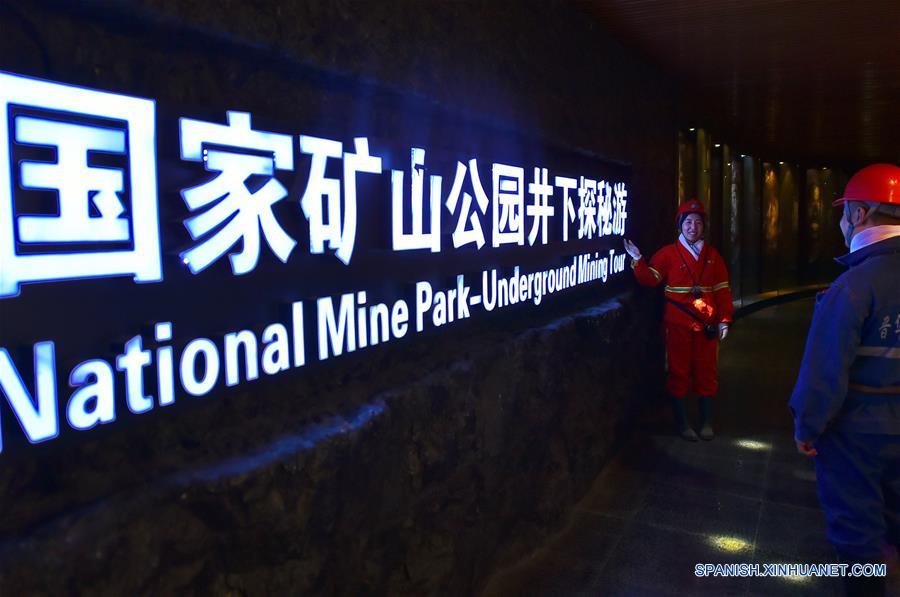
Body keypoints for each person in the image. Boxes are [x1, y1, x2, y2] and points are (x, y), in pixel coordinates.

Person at [790, 163, 900, 597]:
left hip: (856, 433)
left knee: (859, 542)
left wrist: (808, 426)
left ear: (860, 214)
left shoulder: (854, 286)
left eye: (844, 212)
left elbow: (824, 373)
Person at [623, 199, 733, 441]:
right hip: (677, 324)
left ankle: (706, 422)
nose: (693, 227)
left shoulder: (713, 256)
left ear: (704, 226)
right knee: (678, 371)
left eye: (697, 222)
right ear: (680, 225)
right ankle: (683, 424)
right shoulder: (668, 253)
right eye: (688, 222)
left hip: (707, 325)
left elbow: (722, 290)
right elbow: (650, 279)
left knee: (707, 371)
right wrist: (638, 259)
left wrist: (724, 319)